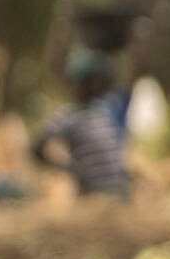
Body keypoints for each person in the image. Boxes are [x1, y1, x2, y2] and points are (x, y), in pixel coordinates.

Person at [31, 48, 131, 198]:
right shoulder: (67, 115)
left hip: (119, 193)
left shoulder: (103, 109)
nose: (98, 86)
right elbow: (36, 148)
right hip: (95, 196)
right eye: (93, 81)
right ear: (79, 82)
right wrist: (70, 169)